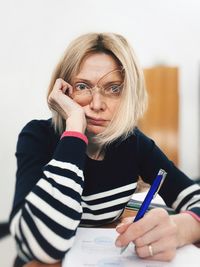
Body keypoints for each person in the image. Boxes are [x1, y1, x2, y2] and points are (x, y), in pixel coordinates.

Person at [9, 32, 200, 267]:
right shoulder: (37, 136)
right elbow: (43, 246)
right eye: (82, 86)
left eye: (114, 89)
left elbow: (195, 198)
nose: (97, 105)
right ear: (62, 90)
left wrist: (183, 228)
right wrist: (75, 131)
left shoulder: (133, 143)